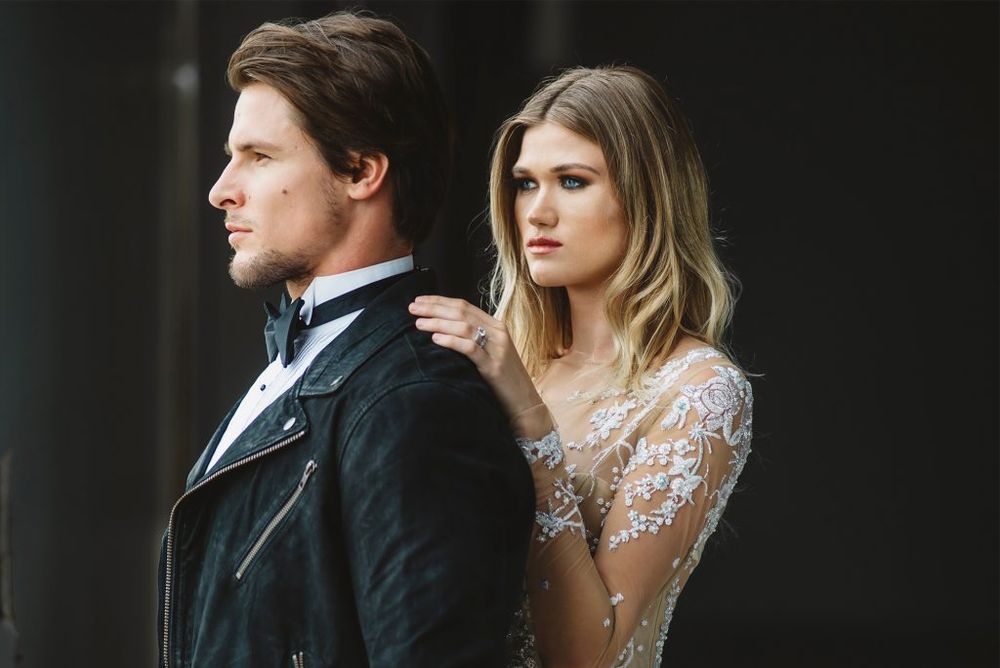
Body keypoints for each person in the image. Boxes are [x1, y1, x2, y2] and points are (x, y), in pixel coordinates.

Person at [156, 12, 535, 667]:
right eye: (231, 157)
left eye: (259, 157)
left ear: (361, 172)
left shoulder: (416, 402)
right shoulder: (307, 362)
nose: (222, 191)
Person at [409, 66, 754, 667]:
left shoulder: (700, 392)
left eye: (572, 181)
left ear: (648, 197)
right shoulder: (498, 358)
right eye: (525, 184)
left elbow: (586, 655)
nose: (536, 213)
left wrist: (529, 418)